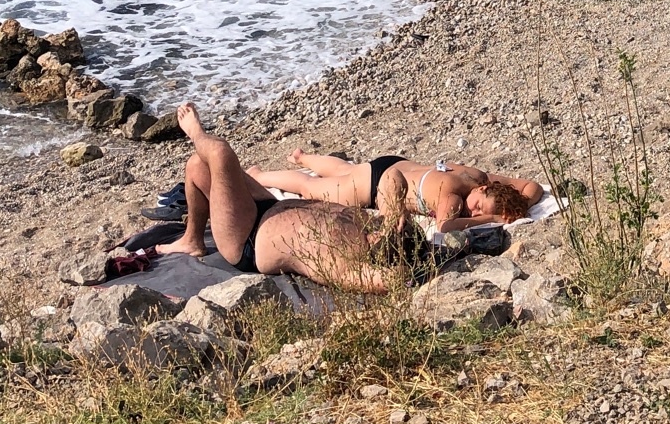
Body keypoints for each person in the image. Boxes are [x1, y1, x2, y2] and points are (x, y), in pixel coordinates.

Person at [154, 105, 394, 291]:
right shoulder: (371, 223)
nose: (387, 234)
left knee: (218, 153)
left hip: (248, 239)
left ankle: (195, 133)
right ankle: (192, 240)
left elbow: (393, 280)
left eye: (393, 241)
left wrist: (408, 275)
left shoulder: (343, 263)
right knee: (198, 165)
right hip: (273, 207)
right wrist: (397, 214)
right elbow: (394, 178)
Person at [249, 149, 541, 231]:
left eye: (478, 213)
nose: (473, 211)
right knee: (309, 187)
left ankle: (302, 157)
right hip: (375, 187)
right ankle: (259, 176)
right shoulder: (453, 198)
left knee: (343, 170)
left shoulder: (477, 176)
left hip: (393, 164)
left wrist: (519, 204)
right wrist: (492, 219)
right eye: (478, 206)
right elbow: (445, 226)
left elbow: (533, 186)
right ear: (484, 189)